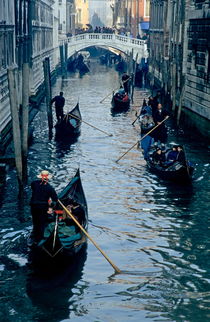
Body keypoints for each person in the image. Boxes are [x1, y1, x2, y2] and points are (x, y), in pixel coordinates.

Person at [30, 170, 58, 243]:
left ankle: (35, 237)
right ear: (48, 178)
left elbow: (34, 188)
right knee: (42, 222)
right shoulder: (50, 188)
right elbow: (55, 199)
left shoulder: (34, 183)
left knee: (35, 222)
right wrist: (51, 205)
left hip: (33, 206)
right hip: (42, 207)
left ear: (40, 177)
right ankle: (40, 239)